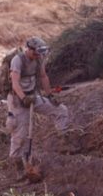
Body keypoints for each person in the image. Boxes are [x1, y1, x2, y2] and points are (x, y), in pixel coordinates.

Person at [6, 37, 69, 169]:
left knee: (61, 110)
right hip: (18, 100)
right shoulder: (18, 60)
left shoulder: (38, 59)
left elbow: (43, 77)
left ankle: (64, 143)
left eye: (39, 54)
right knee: (20, 134)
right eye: (35, 53)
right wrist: (23, 98)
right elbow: (15, 83)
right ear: (29, 49)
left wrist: (49, 95)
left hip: (33, 97)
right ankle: (19, 168)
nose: (37, 56)